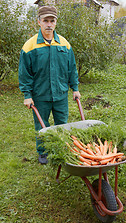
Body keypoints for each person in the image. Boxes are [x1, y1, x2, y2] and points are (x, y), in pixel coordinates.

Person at [19, 5, 81, 164]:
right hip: (40, 95)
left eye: (52, 20)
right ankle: (43, 152)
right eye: (45, 20)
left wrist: (75, 88)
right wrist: (27, 95)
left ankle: (61, 148)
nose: (48, 24)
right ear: (38, 22)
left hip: (60, 94)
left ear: (55, 22)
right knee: (42, 126)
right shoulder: (30, 46)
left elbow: (71, 68)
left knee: (62, 125)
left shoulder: (64, 44)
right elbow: (24, 73)